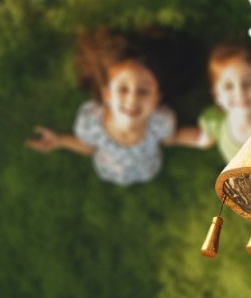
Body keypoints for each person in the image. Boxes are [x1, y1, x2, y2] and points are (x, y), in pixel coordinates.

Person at [26, 29, 179, 186]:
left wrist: (201, 138)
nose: (133, 99)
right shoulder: (91, 123)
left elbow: (170, 140)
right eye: (123, 89)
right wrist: (61, 141)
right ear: (107, 95)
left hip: (147, 168)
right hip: (108, 169)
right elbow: (88, 148)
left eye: (143, 91)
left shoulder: (162, 122)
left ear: (157, 99)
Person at [176, 44, 251, 162]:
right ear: (217, 95)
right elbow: (202, 140)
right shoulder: (215, 122)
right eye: (228, 86)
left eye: (248, 83)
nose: (240, 93)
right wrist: (173, 137)